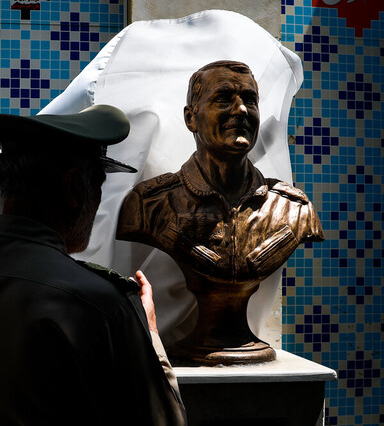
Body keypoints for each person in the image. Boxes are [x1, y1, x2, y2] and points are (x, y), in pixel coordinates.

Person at [0, 105, 186, 425]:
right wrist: (149, 332)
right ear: (74, 189)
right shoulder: (102, 304)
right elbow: (163, 420)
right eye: (99, 185)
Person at [117, 61, 324, 361]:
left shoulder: (293, 209)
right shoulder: (149, 205)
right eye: (224, 99)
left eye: (250, 100)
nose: (241, 110)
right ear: (191, 118)